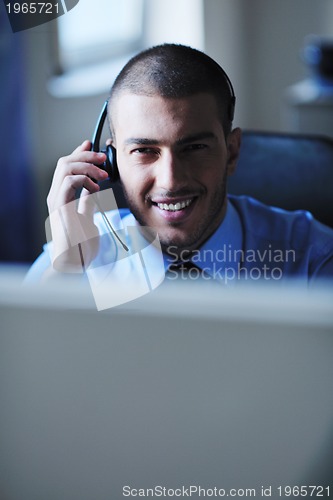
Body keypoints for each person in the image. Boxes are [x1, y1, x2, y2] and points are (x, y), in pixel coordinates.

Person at [27, 43, 333, 293]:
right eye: (145, 150)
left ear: (232, 152)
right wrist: (65, 272)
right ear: (111, 160)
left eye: (194, 148)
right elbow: (19, 363)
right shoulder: (77, 252)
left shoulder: (312, 257)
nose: (171, 180)